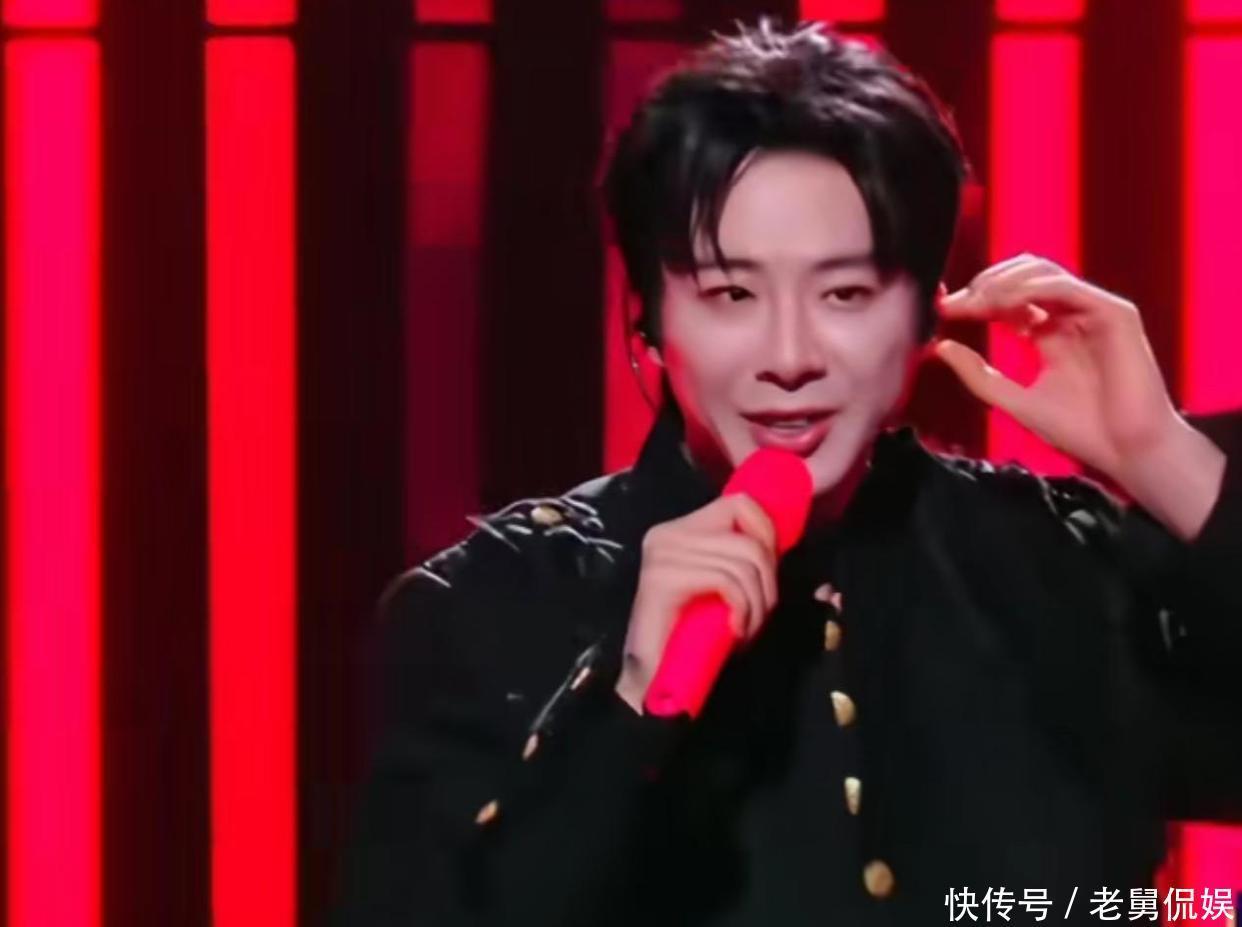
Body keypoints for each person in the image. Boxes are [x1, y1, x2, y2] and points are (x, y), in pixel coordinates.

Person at [333, 19, 1242, 926]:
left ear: (927, 313)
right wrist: (630, 706)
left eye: (845, 293)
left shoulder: (1055, 565)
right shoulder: (495, 606)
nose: (790, 355)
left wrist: (1160, 455)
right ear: (649, 315)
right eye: (732, 294)